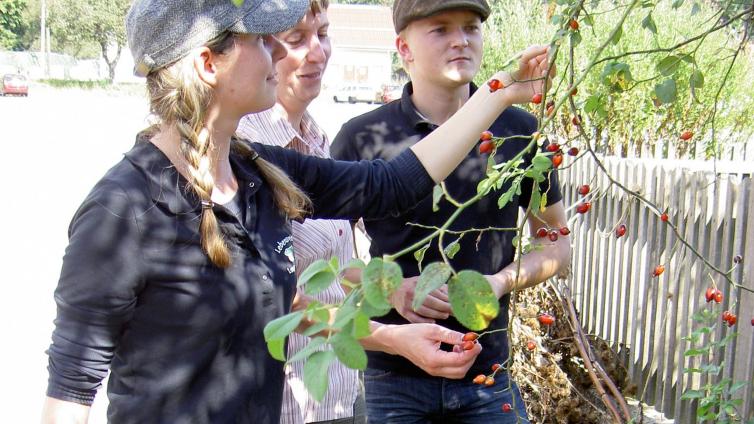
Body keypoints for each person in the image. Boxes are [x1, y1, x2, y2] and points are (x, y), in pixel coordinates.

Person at [40, 0, 552, 423]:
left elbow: (394, 184)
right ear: (207, 64)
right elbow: (71, 388)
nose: (276, 55)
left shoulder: (259, 174)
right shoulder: (121, 210)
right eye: (261, 41)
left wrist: (499, 93)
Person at [331, 0, 571, 423]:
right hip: (394, 380)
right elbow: (330, 260)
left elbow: (557, 246)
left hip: (486, 377)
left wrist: (498, 282)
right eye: (440, 29)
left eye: (470, 27)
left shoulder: (520, 132)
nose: (460, 40)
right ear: (403, 49)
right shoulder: (362, 137)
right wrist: (391, 289)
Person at [235, 1, 366, 423]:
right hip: (288, 405)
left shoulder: (315, 137)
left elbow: (329, 265)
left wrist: (396, 289)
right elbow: (273, 292)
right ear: (262, 48)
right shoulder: (245, 150)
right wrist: (390, 338)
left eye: (323, 34)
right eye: (296, 40)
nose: (317, 53)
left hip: (339, 393)